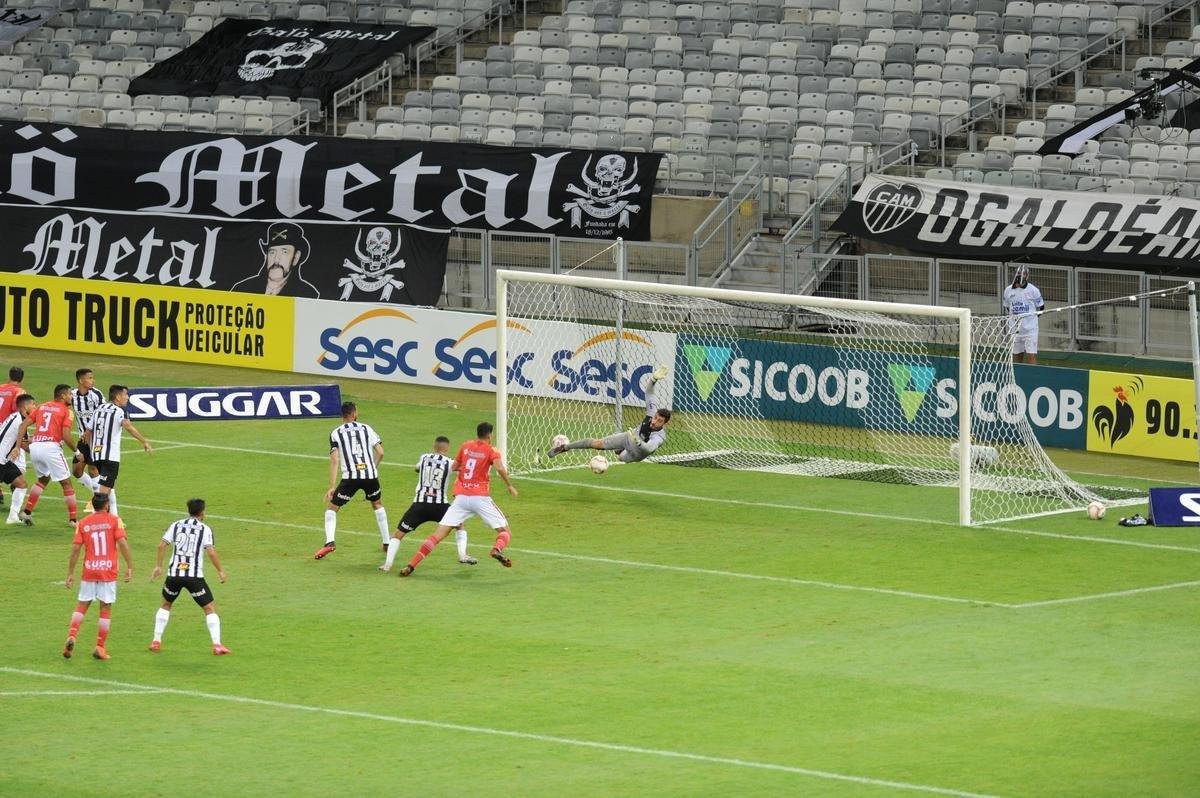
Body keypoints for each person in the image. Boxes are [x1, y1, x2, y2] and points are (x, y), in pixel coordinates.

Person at [399, 421, 518, 577]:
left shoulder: (466, 446)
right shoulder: (492, 450)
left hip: (461, 498)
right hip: (480, 497)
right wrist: (509, 485)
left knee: (437, 536)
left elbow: (454, 467)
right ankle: (497, 550)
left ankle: (411, 565)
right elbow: (500, 467)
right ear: (489, 435)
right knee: (505, 532)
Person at [379, 435, 475, 573]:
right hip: (440, 506)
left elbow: (417, 468)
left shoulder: (424, 457)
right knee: (460, 525)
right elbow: (463, 470)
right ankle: (462, 555)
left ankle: (387, 565)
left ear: (434, 447)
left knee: (398, 534)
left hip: (420, 505)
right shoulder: (450, 463)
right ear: (447, 448)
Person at [150, 498, 230, 655]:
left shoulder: (176, 525)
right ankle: (217, 645)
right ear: (202, 512)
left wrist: (158, 566)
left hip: (174, 574)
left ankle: (156, 641)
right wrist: (220, 571)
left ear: (189, 511)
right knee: (209, 608)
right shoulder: (205, 529)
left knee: (166, 604)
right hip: (194, 577)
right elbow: (211, 552)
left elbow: (162, 545)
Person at [549, 366, 672, 463]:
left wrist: (639, 442)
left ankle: (620, 450)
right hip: (629, 436)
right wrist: (653, 379)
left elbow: (650, 448)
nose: (654, 421)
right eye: (655, 418)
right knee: (596, 443)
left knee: (621, 457)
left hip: (637, 453)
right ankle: (565, 447)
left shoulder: (659, 437)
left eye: (659, 421)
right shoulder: (652, 412)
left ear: (664, 423)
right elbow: (650, 393)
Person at [314, 401, 390, 559]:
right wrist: (372, 468)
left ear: (343, 415)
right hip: (370, 476)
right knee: (377, 504)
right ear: (354, 413)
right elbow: (381, 452)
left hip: (350, 478)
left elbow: (335, 460)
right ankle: (386, 542)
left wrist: (332, 486)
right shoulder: (366, 428)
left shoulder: (336, 433)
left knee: (332, 508)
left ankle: (330, 543)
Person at [63, 493, 133, 660]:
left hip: (89, 569)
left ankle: (72, 635)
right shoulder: (115, 520)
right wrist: (130, 566)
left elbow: (75, 549)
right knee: (105, 608)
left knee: (82, 605)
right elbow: (122, 542)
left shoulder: (83, 523)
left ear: (93, 506)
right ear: (107, 505)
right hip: (108, 570)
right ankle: (100, 647)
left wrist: (70, 573)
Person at [18, 384, 80, 526]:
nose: (72, 397)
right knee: (66, 483)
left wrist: (18, 445)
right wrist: (77, 452)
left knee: (43, 479)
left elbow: (23, 425)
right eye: (70, 394)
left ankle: (26, 512)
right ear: (63, 396)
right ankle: (73, 520)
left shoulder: (42, 406)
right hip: (51, 448)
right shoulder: (67, 411)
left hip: (35, 447)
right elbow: (66, 435)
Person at [87, 384, 153, 519]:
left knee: (108, 487)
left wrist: (91, 448)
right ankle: (95, 520)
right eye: (125, 395)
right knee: (103, 495)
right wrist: (144, 441)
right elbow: (128, 426)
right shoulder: (119, 411)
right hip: (110, 457)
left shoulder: (99, 408)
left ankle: (114, 519)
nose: (127, 397)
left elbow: (88, 431)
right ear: (118, 397)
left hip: (97, 454)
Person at [231, 222, 320, 298]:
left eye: (284, 252)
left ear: (296, 257)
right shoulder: (241, 290)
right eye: (272, 252)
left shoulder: (308, 295)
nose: (276, 259)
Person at [70, 367, 105, 493]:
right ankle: (98, 494)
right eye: (89, 378)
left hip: (97, 438)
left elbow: (104, 414)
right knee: (77, 471)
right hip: (83, 438)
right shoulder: (72, 394)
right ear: (81, 381)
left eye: (92, 378)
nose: (93, 380)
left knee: (93, 469)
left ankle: (100, 499)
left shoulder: (96, 394)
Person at [1, 393, 35, 524]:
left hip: (4, 460)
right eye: (33, 404)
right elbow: (25, 445)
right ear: (25, 406)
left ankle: (13, 517)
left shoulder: (16, 417)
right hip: (0, 459)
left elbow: (23, 441)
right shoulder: (21, 421)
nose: (35, 407)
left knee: (21, 484)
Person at [1003, 264, 1045, 365]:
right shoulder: (1008, 290)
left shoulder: (1033, 290)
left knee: (1031, 355)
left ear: (1027, 276)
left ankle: (1033, 374)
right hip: (1015, 329)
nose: (1021, 275)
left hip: (1030, 329)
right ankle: (1016, 374)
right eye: (1018, 273)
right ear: (1015, 274)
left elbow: (1041, 307)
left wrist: (1031, 319)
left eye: (1024, 274)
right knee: (1017, 355)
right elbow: (1007, 306)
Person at [0, 366, 26, 505]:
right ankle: (16, 492)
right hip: (8, 432)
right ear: (21, 378)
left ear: (9, 376)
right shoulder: (19, 391)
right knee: (19, 465)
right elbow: (18, 412)